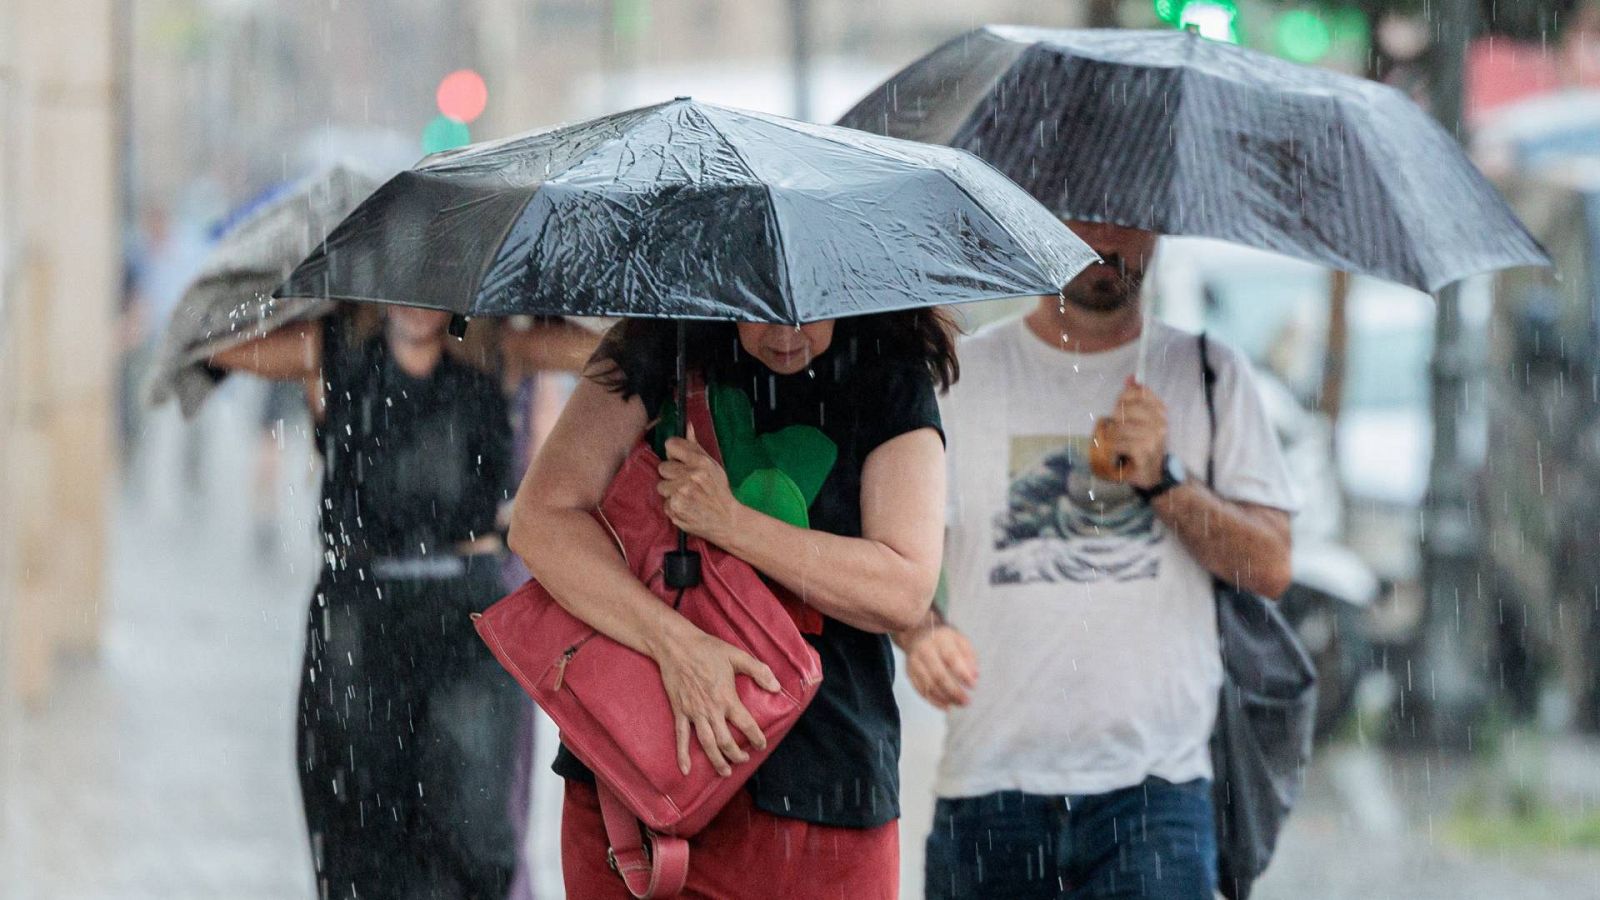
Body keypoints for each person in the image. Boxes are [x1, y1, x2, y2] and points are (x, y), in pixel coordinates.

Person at [905, 221, 1297, 899]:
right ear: (1036, 215)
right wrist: (921, 633)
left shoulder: (1210, 374)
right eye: (1083, 215)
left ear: (1161, 226)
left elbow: (1270, 565)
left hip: (1156, 796)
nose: (1106, 240)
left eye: (1129, 217)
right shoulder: (960, 380)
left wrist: (1164, 481)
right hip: (990, 787)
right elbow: (902, 558)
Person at [508, 313, 953, 899]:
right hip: (637, 801)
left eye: (808, 311)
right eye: (761, 311)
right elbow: (540, 522)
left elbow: (902, 589)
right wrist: (675, 644)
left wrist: (732, 524)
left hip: (822, 794)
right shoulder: (657, 344)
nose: (786, 334)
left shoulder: (886, 368)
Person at [209, 306, 593, 900]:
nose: (416, 298)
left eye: (432, 275)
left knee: (476, 837)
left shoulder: (494, 345)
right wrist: (311, 296)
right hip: (358, 613)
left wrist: (522, 301)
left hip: (468, 611)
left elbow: (609, 349)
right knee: (358, 832)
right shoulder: (332, 346)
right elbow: (213, 344)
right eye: (400, 273)